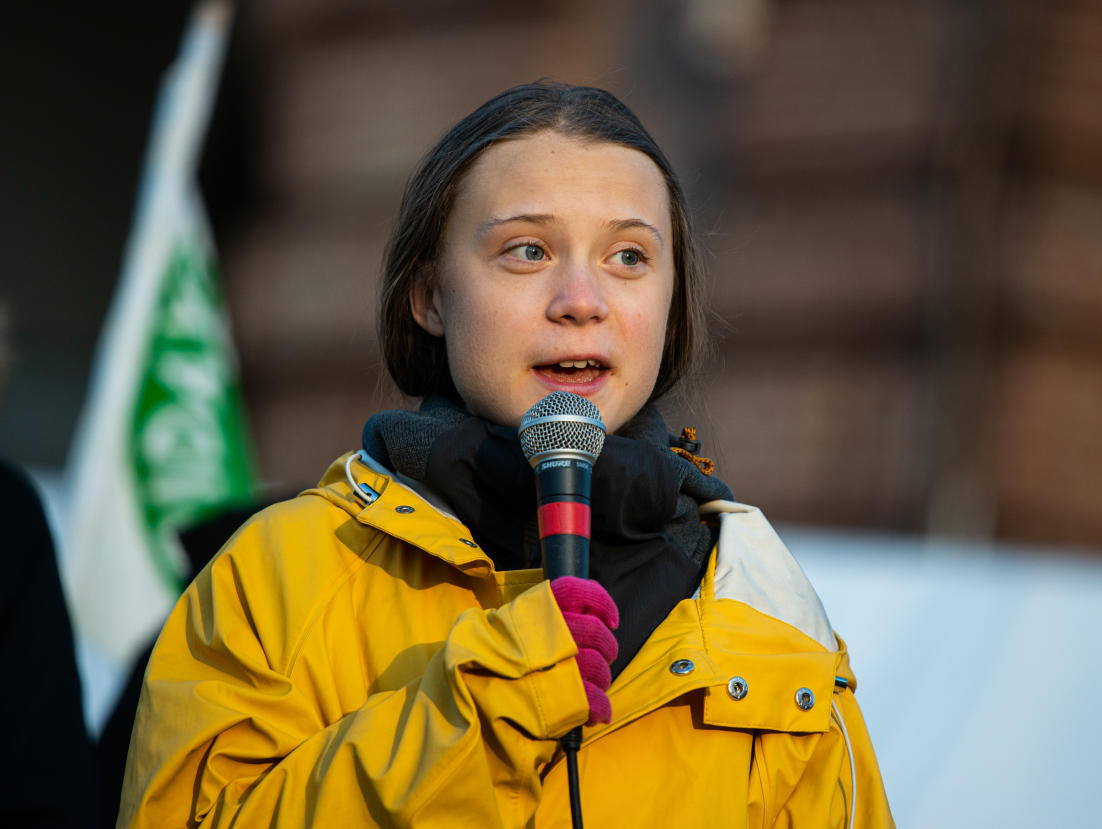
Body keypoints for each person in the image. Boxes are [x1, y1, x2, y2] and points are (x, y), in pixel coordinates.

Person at [118, 81, 894, 827]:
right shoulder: (278, 574)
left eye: (629, 257)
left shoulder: (765, 608)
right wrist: (481, 711)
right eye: (527, 250)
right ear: (428, 294)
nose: (582, 300)